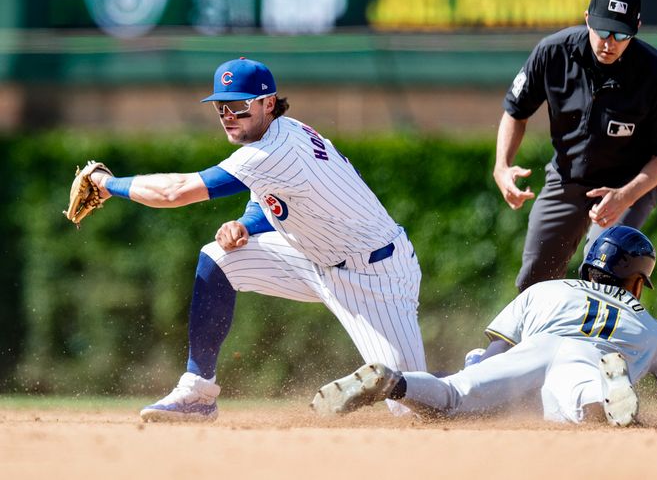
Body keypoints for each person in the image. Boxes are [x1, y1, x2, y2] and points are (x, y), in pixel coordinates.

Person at [88, 57, 427, 422]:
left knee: (414, 406)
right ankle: (198, 393)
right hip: (315, 258)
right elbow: (269, 196)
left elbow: (175, 192)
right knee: (219, 257)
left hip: (375, 276)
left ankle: (478, 376)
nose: (228, 115)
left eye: (238, 105)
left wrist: (106, 184)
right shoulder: (281, 132)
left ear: (268, 103)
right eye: (221, 107)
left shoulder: (274, 151)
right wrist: (247, 225)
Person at [311, 227, 657, 426]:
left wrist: (479, 369)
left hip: (538, 347)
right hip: (592, 361)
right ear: (636, 280)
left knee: (455, 395)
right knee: (580, 406)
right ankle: (606, 393)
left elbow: (495, 354)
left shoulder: (547, 290)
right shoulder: (652, 328)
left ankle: (395, 383)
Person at [493, 0, 657, 292]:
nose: (609, 42)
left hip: (629, 185)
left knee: (603, 271)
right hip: (569, 176)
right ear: (586, 19)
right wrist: (502, 165)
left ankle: (599, 341)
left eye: (621, 34)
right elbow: (516, 111)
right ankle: (519, 343)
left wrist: (625, 196)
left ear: (636, 28)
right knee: (534, 281)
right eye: (603, 30)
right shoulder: (552, 52)